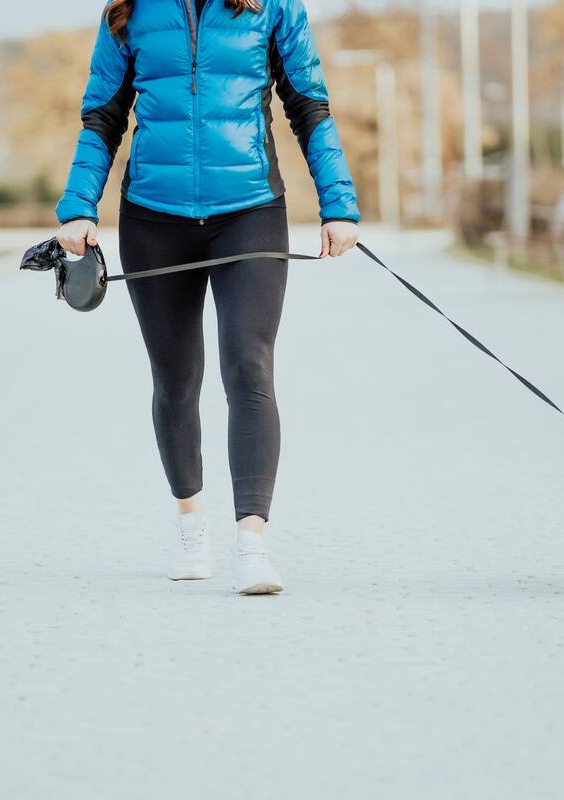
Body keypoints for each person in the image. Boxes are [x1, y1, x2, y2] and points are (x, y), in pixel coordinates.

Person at [53, 0, 360, 594]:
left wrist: (338, 204)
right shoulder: (128, 12)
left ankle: (251, 542)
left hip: (249, 211)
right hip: (152, 216)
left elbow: (309, 107)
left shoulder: (273, 7)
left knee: (249, 364)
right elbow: (101, 117)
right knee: (175, 377)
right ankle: (191, 523)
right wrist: (78, 206)